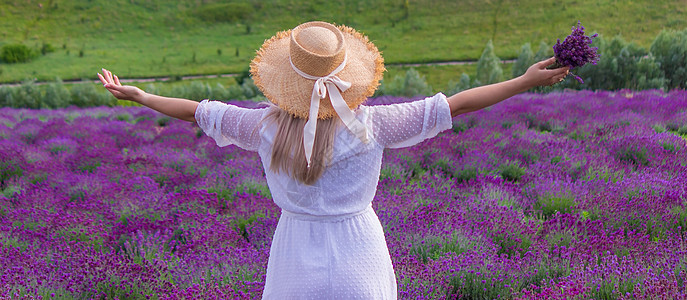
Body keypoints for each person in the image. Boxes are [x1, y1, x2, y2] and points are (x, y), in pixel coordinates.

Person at [98, 21, 569, 299]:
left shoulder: (262, 127)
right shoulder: (375, 125)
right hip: (358, 247)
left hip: (295, 246)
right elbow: (457, 104)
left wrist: (140, 95)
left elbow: (194, 112)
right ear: (347, 77)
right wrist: (525, 81)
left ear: (286, 80)